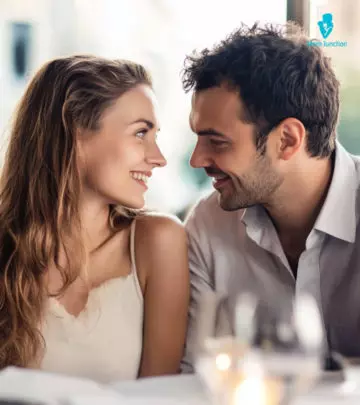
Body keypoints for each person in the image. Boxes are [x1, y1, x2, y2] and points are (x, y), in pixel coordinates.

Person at [180, 22, 360, 372]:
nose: (197, 159)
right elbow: (194, 374)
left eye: (217, 142)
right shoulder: (208, 226)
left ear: (288, 140)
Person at [0, 55, 189, 382]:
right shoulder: (7, 249)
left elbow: (158, 398)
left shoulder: (156, 242)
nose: (158, 158)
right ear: (74, 131)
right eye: (141, 133)